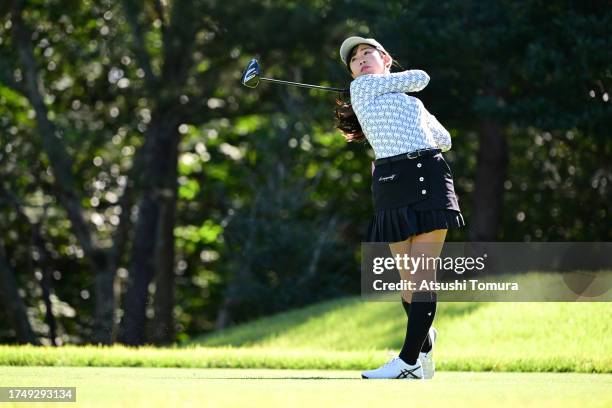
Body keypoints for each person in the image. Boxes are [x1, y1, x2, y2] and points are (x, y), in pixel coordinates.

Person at [335, 36, 466, 380]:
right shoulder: (362, 89)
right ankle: (425, 341)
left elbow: (446, 139)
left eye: (368, 53)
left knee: (422, 276)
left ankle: (409, 362)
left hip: (427, 175)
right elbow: (420, 77)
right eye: (354, 59)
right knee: (408, 283)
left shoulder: (412, 104)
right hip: (392, 183)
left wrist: (412, 123)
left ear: (386, 59)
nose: (361, 60)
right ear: (352, 72)